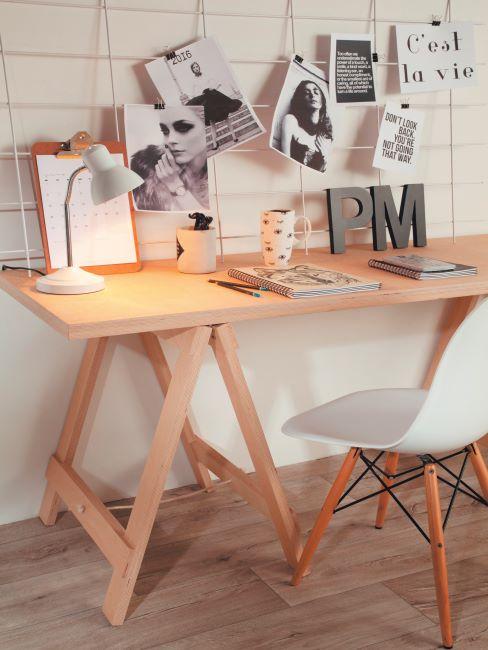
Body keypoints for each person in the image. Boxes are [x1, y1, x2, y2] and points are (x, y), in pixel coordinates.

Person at [130, 106, 209, 212]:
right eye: (165, 131)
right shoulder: (145, 169)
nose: (170, 140)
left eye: (183, 128)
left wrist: (175, 184)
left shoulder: (216, 168)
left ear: (207, 127)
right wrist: (176, 186)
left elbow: (207, 223)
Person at [183, 61, 242, 150]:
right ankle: (215, 144)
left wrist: (212, 88)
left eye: (197, 66)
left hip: (214, 97)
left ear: (199, 67)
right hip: (206, 101)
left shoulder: (206, 74)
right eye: (194, 68)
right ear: (193, 70)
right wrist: (200, 94)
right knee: (212, 122)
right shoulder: (193, 81)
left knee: (226, 116)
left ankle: (234, 137)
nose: (196, 68)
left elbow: (216, 83)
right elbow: (193, 94)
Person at [280, 80, 333, 172]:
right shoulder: (291, 121)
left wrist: (326, 155)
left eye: (316, 92)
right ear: (301, 100)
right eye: (306, 93)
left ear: (322, 100)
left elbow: (326, 173)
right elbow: (284, 163)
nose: (312, 95)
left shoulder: (326, 136)